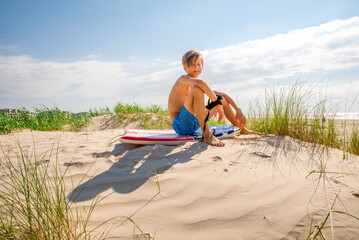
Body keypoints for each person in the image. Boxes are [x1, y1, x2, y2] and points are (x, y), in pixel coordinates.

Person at [168, 50, 262, 147]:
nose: (196, 67)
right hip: (180, 125)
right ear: (185, 68)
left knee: (222, 99)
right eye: (192, 65)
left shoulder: (197, 85)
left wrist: (238, 109)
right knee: (199, 90)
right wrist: (216, 103)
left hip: (195, 123)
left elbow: (223, 95)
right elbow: (202, 83)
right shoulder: (183, 79)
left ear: (202, 67)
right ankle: (207, 135)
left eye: (198, 64)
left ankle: (241, 128)